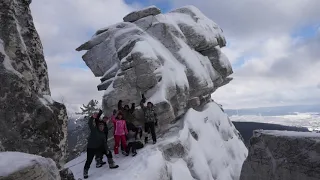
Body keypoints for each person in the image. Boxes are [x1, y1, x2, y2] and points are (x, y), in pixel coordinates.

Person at [83, 110, 119, 179]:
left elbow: (104, 143)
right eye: (100, 126)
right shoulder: (94, 130)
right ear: (98, 126)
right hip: (91, 148)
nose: (101, 127)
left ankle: (111, 164)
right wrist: (92, 117)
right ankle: (85, 171)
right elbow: (90, 123)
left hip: (99, 147)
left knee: (108, 153)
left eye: (102, 126)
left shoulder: (103, 134)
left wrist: (106, 150)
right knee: (89, 160)